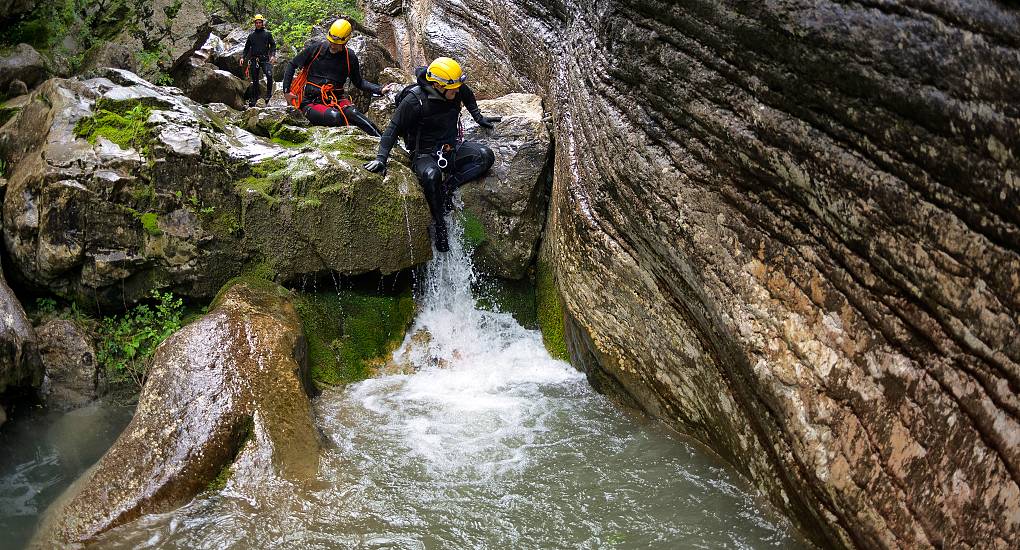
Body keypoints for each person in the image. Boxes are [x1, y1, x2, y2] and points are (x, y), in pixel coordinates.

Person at [363, 57, 501, 252]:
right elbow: (393, 128)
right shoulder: (414, 100)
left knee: (485, 156)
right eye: (453, 89)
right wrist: (381, 158)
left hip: (451, 148)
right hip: (424, 154)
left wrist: (478, 116)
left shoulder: (454, 87)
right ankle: (440, 224)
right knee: (431, 176)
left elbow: (467, 95)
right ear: (437, 85)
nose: (458, 91)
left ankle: (448, 187)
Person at [281, 18, 396, 135]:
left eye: (337, 44)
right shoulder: (316, 49)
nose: (333, 45)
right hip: (311, 101)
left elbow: (359, 82)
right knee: (336, 117)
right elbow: (292, 64)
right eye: (331, 42)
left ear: (346, 41)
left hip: (336, 99)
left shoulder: (349, 57)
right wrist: (286, 91)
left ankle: (384, 140)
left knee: (356, 115)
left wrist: (379, 89)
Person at [240, 14, 277, 107]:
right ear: (255, 24)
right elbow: (246, 48)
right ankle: (254, 99)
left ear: (262, 23)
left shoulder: (267, 34)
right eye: (257, 23)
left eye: (260, 22)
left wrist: (272, 55)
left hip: (265, 59)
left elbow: (273, 45)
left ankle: (268, 95)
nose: (258, 24)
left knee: (269, 75)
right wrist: (242, 57)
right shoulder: (251, 36)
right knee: (255, 80)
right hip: (254, 59)